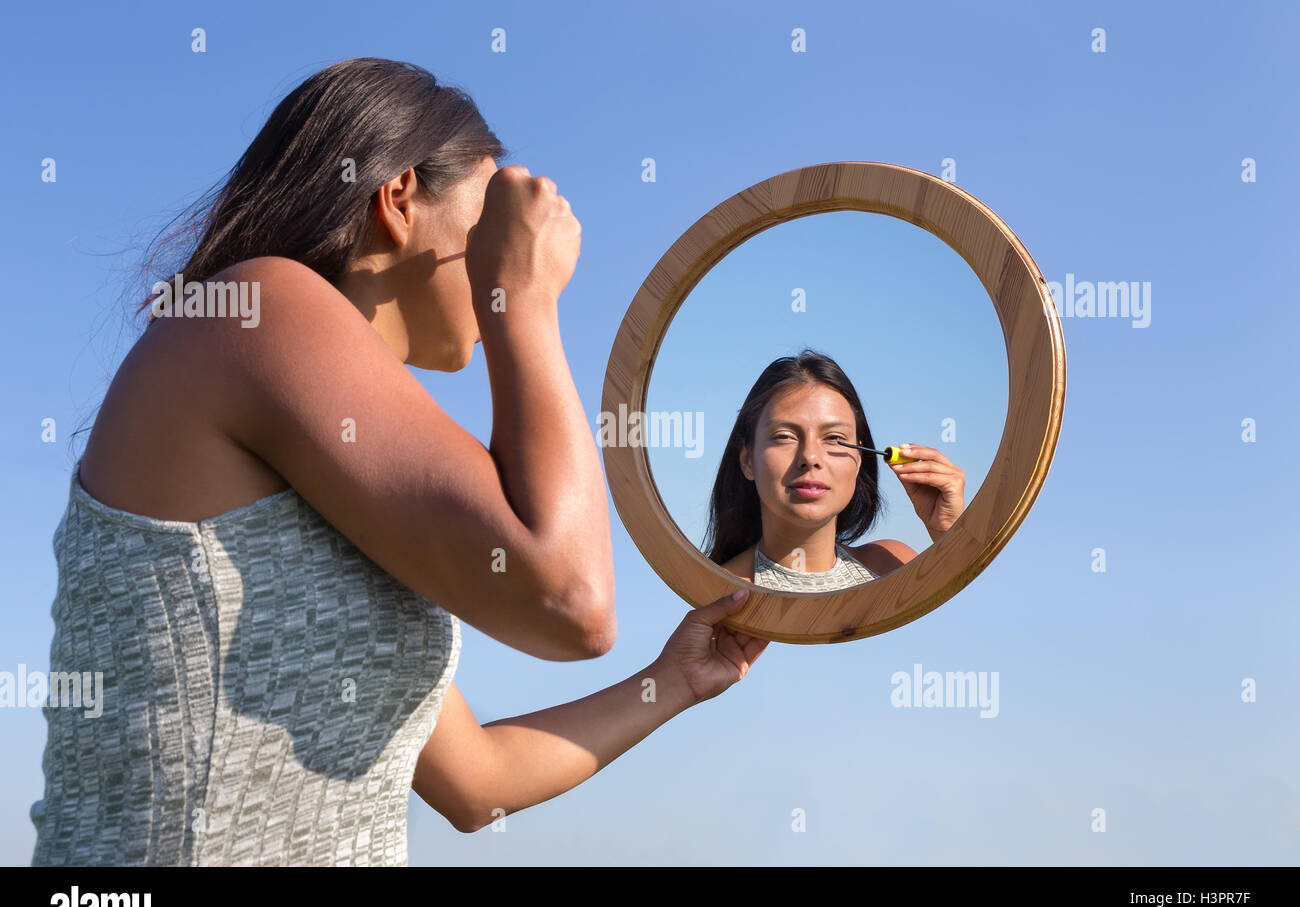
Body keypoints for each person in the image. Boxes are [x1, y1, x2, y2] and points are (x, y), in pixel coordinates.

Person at [29, 57, 765, 866]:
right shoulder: (261, 306)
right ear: (399, 196)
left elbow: (475, 781)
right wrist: (519, 295)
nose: (499, 253)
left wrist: (676, 680)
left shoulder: (343, 465)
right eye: (487, 226)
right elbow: (572, 599)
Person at [702, 349, 966, 592]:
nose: (810, 457)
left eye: (835, 438)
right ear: (748, 460)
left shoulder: (893, 565)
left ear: (860, 458)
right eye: (784, 436)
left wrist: (950, 536)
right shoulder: (720, 595)